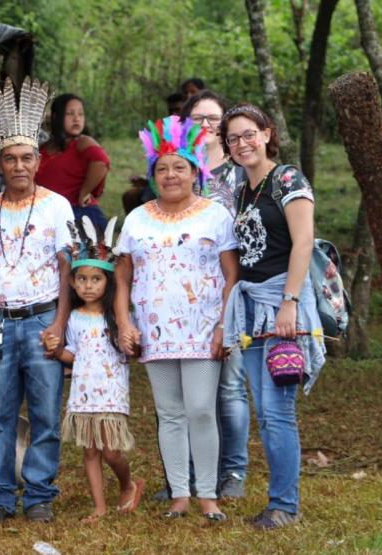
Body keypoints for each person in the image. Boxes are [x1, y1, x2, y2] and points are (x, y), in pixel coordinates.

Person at [114, 115, 238, 523]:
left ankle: (208, 494)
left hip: (204, 330)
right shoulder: (137, 220)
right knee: (169, 413)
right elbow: (123, 277)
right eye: (162, 168)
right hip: (155, 331)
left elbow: (231, 275)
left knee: (201, 409)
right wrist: (125, 322)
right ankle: (179, 494)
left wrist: (224, 324)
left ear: (195, 172)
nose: (170, 175)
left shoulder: (216, 216)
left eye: (179, 167)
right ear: (153, 175)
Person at [0, 77, 73, 525]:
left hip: (44, 317)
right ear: (0, 162)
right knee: (0, 414)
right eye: (10, 158)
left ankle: (39, 496)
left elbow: (69, 268)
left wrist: (60, 324)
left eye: (26, 157)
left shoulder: (57, 207)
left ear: (38, 160)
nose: (18, 165)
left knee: (46, 412)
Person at [219, 103, 325, 530]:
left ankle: (285, 505)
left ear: (266, 133)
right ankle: (279, 501)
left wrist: (290, 301)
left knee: (277, 410)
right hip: (253, 308)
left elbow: (303, 243)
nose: (242, 143)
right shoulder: (245, 189)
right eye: (233, 138)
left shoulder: (287, 180)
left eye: (248, 134)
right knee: (264, 408)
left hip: (283, 305)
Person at [42, 218, 144, 524]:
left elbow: (133, 351)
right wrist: (55, 349)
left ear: (108, 282)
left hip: (111, 394)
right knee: (89, 453)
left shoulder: (119, 318)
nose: (88, 286)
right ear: (72, 282)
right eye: (82, 279)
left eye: (96, 279)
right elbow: (75, 355)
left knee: (110, 452)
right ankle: (98, 507)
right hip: (83, 395)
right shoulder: (72, 318)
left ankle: (128, 483)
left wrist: (133, 344)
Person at [181, 90, 249, 499]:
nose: (204, 125)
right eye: (196, 118)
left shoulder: (241, 173)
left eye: (212, 118)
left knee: (230, 387)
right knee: (191, 392)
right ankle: (188, 474)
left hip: (231, 290)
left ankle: (234, 473)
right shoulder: (178, 168)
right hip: (183, 296)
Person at [35, 93, 110, 232]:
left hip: (77, 214)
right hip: (46, 216)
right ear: (56, 117)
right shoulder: (43, 148)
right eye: (70, 113)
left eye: (81, 114)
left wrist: (85, 191)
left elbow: (101, 162)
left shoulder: (82, 142)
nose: (77, 118)